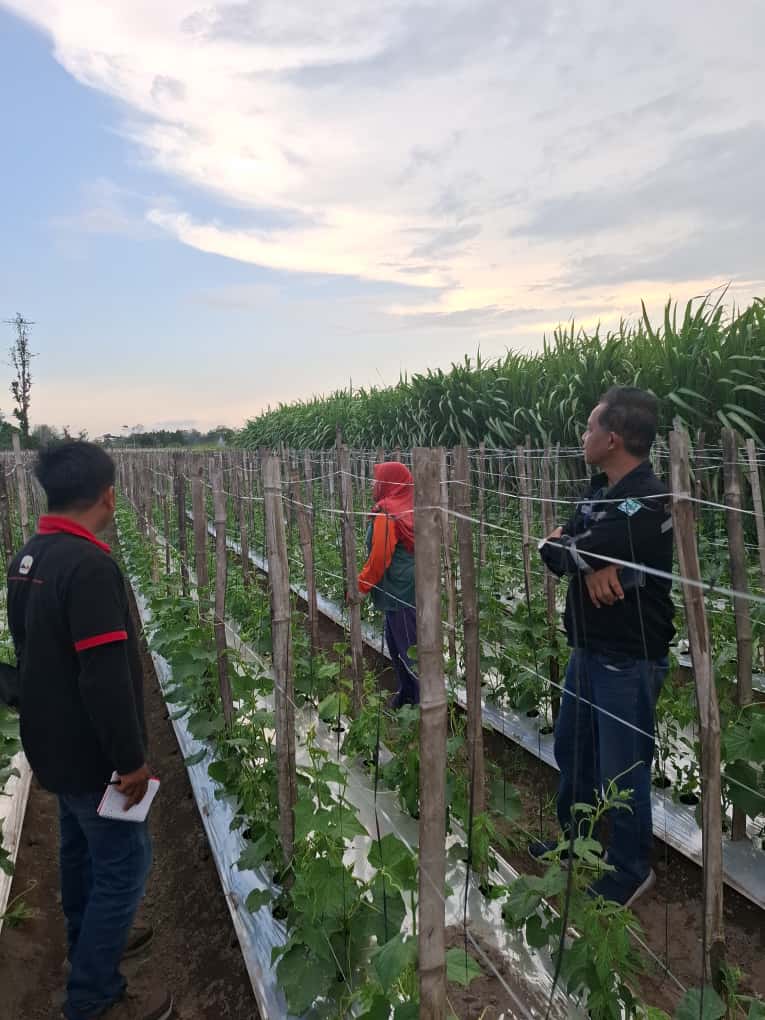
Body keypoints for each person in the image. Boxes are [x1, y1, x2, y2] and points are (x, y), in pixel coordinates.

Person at [6, 442, 172, 1020]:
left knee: (78, 852)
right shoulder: (91, 568)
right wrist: (130, 760)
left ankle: (86, 947)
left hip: (52, 746)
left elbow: (28, 656)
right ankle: (92, 996)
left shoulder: (29, 557)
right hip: (92, 754)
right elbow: (104, 679)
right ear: (107, 495)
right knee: (126, 867)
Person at [535, 387, 675, 907]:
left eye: (591, 427)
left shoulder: (648, 500)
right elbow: (555, 550)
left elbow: (569, 553)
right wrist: (589, 559)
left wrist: (583, 557)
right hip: (589, 646)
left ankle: (630, 869)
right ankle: (577, 840)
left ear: (612, 438)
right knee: (574, 746)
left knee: (624, 767)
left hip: (628, 656)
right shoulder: (599, 492)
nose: (583, 435)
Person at [358, 461, 418, 708]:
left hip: (399, 591)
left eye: (377, 480)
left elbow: (380, 556)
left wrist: (361, 585)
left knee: (408, 650)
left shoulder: (388, 513)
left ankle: (422, 705)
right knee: (397, 646)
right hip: (407, 588)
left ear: (389, 483)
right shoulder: (409, 507)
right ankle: (407, 694)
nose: (373, 484)